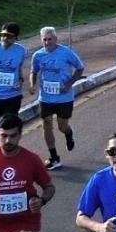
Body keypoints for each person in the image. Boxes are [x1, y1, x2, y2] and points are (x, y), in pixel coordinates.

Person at [30, 26, 84, 170]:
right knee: (46, 124)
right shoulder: (38, 55)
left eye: (50, 39)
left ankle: (68, 133)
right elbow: (33, 72)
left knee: (62, 125)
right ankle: (54, 157)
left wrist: (69, 83)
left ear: (56, 39)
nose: (47, 42)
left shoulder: (66, 53)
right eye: (44, 40)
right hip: (45, 97)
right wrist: (32, 85)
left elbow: (80, 68)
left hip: (64, 98)